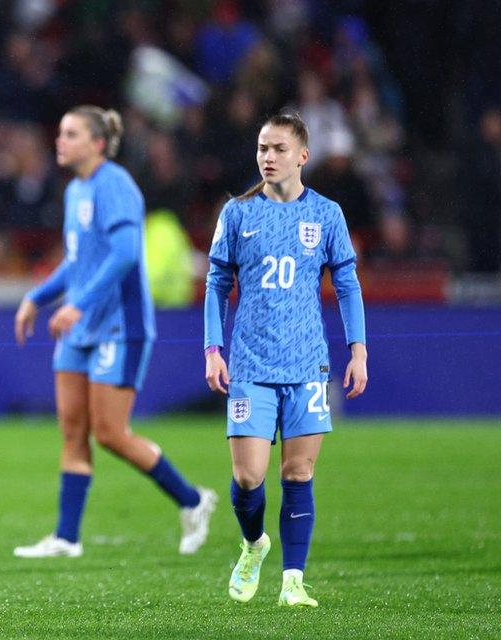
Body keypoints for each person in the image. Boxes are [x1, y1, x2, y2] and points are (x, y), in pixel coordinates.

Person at [13, 105, 217, 559]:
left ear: (97, 144)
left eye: (71, 134)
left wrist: (78, 307)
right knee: (72, 431)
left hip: (119, 327)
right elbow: (78, 260)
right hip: (80, 327)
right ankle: (67, 537)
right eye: (60, 132)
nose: (59, 141)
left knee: (110, 433)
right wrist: (37, 297)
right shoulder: (76, 191)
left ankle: (193, 499)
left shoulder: (116, 186)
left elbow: (126, 254)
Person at [204, 112, 368, 608]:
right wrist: (213, 349)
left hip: (307, 366)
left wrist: (357, 350)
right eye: (261, 148)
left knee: (298, 475)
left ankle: (293, 581)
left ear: (302, 155)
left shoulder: (327, 215)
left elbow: (347, 286)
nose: (267, 157)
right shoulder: (236, 213)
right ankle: (254, 545)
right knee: (248, 477)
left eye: (277, 149)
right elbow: (215, 285)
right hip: (250, 365)